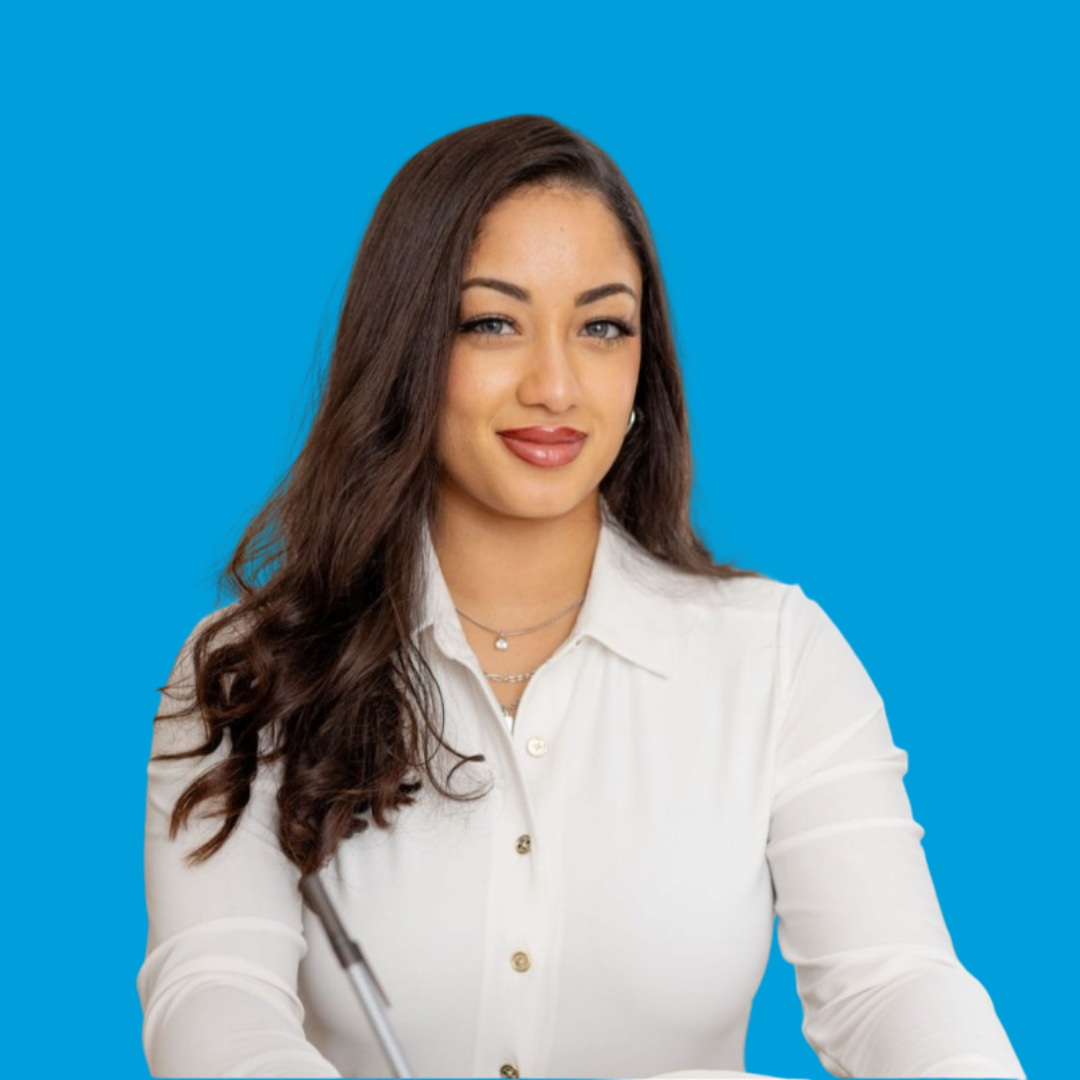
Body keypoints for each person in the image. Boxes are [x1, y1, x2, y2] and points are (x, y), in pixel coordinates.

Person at [137, 115, 1024, 1080]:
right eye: (492, 323)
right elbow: (214, 996)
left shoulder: (778, 655)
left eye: (602, 326)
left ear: (644, 366)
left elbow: (894, 983)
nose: (556, 385)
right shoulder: (249, 671)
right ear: (406, 352)